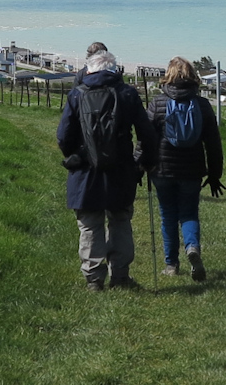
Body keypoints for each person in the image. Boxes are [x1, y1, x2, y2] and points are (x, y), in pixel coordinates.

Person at [57, 49, 159, 291]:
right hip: (121, 169)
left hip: (85, 173)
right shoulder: (127, 93)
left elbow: (63, 136)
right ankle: (120, 276)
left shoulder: (76, 94)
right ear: (114, 70)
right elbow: (146, 134)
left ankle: (94, 278)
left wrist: (77, 155)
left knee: (90, 225)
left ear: (89, 70)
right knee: (120, 221)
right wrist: (143, 161)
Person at [145, 57, 224, 282]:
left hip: (162, 169)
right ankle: (192, 247)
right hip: (192, 169)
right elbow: (213, 143)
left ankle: (171, 265)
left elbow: (146, 139)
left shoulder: (157, 103)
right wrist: (214, 174)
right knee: (189, 213)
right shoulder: (202, 105)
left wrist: (140, 165)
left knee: (167, 215)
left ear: (168, 76)